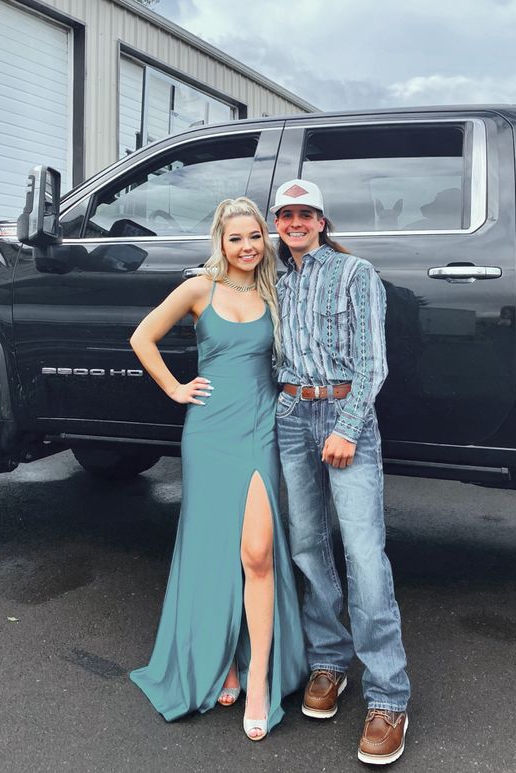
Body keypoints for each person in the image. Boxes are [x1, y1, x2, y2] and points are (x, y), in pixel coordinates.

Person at [129, 197, 306, 741]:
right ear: (220, 242)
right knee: (212, 554)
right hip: (207, 434)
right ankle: (222, 661)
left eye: (255, 236)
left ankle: (257, 681)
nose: (248, 247)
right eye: (236, 239)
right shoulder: (198, 288)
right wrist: (175, 388)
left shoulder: (275, 290)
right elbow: (142, 338)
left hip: (258, 430)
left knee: (256, 553)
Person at [271, 179, 411, 766]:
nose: (296, 223)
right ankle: (329, 662)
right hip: (290, 413)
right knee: (306, 545)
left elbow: (373, 360)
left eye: (307, 214)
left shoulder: (356, 275)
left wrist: (347, 427)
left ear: (322, 222)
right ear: (278, 223)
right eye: (287, 215)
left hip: (342, 413)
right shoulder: (277, 282)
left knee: (362, 552)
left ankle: (389, 698)